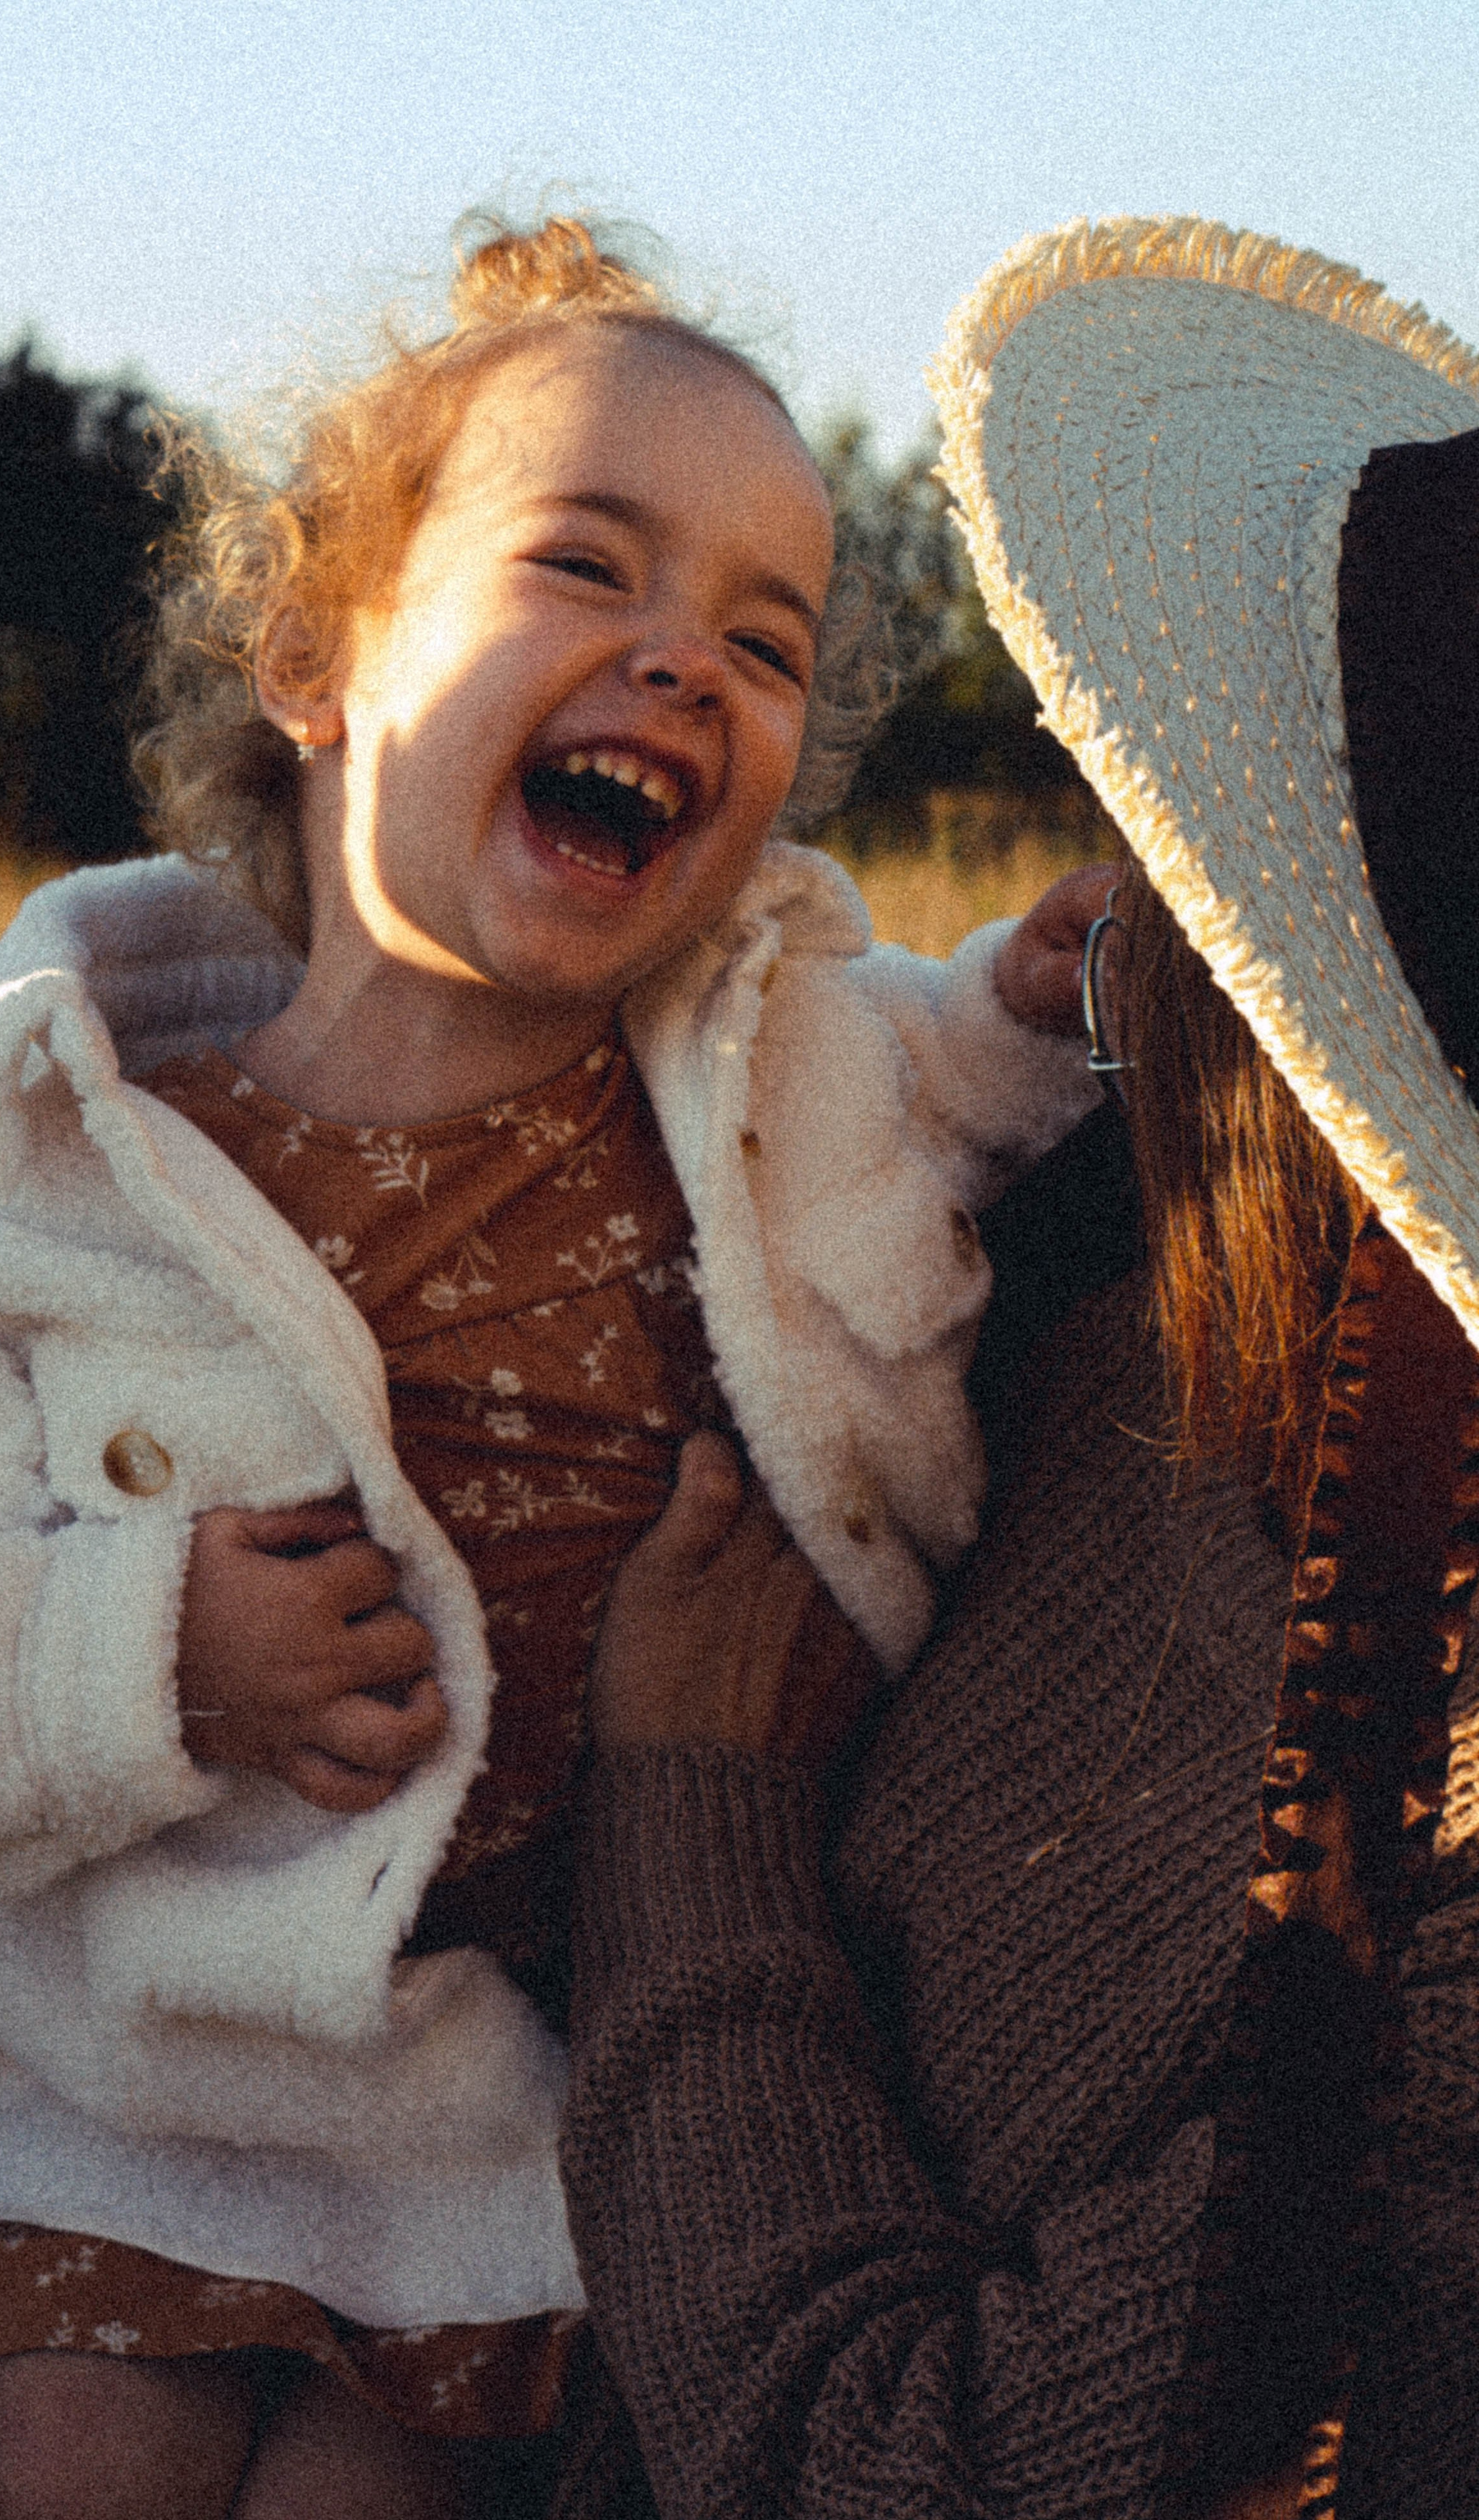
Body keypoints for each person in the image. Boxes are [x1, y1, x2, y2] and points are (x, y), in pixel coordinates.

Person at [0, 218, 1103, 2519]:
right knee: (69, 2480)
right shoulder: (16, 1162)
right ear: (317, 653)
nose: (683, 664)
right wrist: (150, 1648)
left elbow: (948, 1100)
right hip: (134, 2096)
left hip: (532, 2109)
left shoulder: (769, 1061)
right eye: (584, 568)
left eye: (764, 640)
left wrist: (1028, 1001)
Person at [559, 217, 1479, 2520]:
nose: (1124, 879)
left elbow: (880, 2472)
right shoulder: (1129, 1287)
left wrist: (694, 1803)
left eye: (1197, 843)